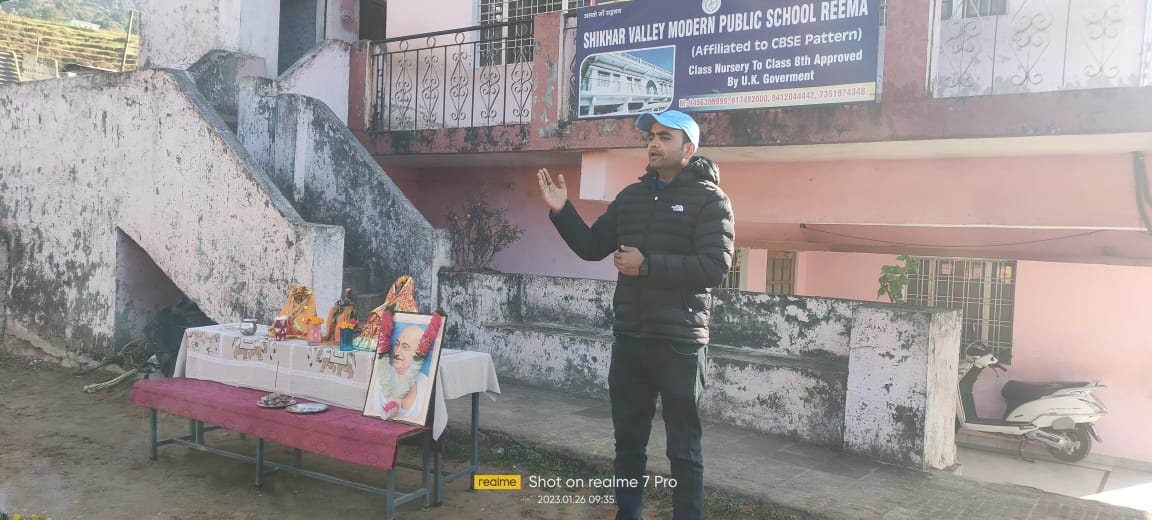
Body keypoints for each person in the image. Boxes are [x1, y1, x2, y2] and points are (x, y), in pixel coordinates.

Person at [536, 110, 734, 520]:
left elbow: (715, 267)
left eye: (665, 137)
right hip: (630, 339)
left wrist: (648, 266)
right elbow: (592, 246)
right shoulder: (630, 198)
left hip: (680, 342)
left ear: (688, 148)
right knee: (627, 445)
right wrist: (563, 210)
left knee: (683, 449)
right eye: (651, 136)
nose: (653, 143)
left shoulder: (711, 200)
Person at [369, 325, 429, 421]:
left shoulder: (426, 384)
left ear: (419, 353)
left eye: (405, 347)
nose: (397, 351)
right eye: (397, 344)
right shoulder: (379, 378)